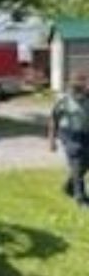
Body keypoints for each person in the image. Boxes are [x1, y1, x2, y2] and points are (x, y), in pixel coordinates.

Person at [49, 71, 89, 205]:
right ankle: (80, 197)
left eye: (84, 84)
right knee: (77, 163)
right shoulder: (63, 100)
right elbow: (53, 120)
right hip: (69, 134)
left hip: (86, 134)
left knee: (84, 165)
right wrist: (52, 141)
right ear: (71, 85)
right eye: (78, 85)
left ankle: (68, 187)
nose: (81, 87)